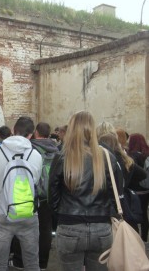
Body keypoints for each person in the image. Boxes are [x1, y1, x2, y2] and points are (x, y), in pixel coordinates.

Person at [49, 111, 119, 271]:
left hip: (69, 226)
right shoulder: (108, 157)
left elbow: (52, 196)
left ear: (71, 129)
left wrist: (61, 215)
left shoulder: (61, 157)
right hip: (101, 227)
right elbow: (115, 194)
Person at [0, 116, 42, 271]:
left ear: (13, 130)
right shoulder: (36, 155)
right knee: (32, 263)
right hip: (28, 213)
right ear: (31, 135)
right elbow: (35, 181)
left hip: (1, 211)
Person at [9, 121, 58, 270]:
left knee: (21, 227)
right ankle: (42, 263)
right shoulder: (57, 149)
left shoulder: (30, 147)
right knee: (45, 230)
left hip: (31, 194)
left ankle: (18, 261)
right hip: (49, 195)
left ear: (36, 133)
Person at [98, 133, 146, 231]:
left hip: (109, 200)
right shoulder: (125, 159)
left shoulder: (103, 160)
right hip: (123, 198)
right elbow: (143, 174)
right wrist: (129, 184)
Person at [128, 133, 149, 241]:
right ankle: (144, 237)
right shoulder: (147, 153)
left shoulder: (131, 156)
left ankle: (135, 238)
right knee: (144, 213)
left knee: (134, 214)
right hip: (146, 189)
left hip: (135, 190)